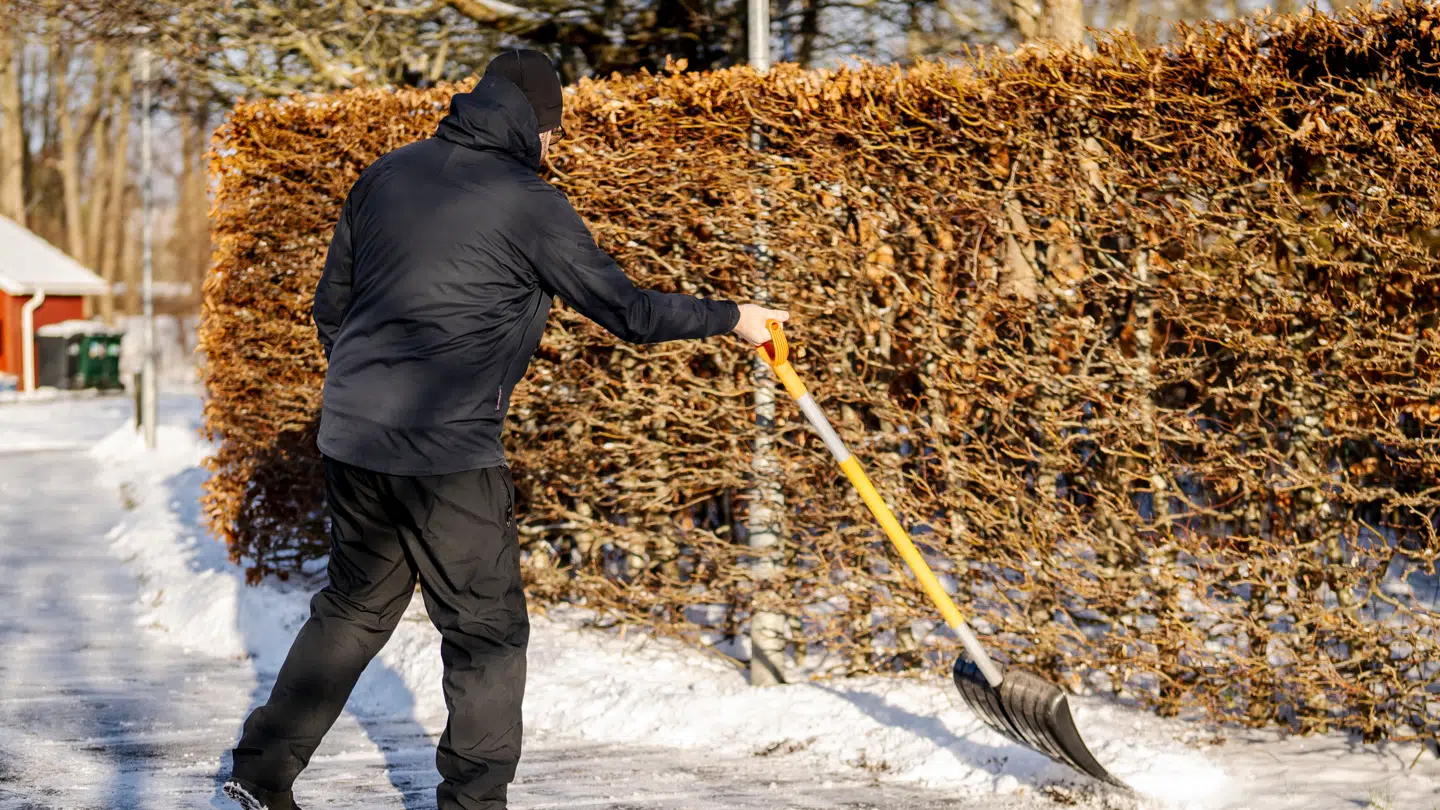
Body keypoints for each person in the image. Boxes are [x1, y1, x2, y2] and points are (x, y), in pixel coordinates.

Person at [221, 49, 789, 810]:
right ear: (533, 121)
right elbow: (627, 311)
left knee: (353, 609)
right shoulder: (526, 201)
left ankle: (260, 774)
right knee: (485, 634)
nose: (554, 144)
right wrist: (733, 317)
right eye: (553, 128)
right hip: (448, 450)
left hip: (353, 437)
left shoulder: (386, 174)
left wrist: (369, 392)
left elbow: (333, 308)